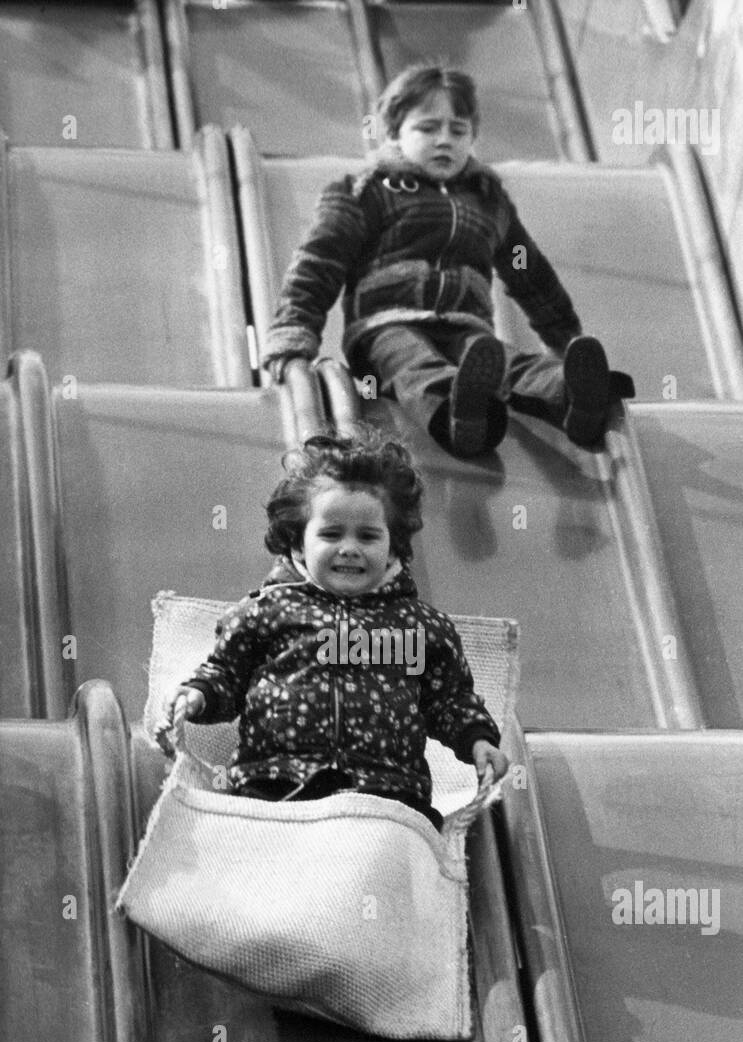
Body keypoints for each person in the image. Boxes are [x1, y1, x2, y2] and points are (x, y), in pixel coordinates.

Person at [261, 63, 634, 459]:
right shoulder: (366, 191)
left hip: (465, 328)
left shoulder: (489, 201)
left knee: (509, 362)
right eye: (427, 128)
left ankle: (574, 396)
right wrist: (294, 334)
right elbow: (320, 262)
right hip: (384, 328)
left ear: (472, 136)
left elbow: (529, 272)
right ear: (394, 133)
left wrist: (565, 339)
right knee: (412, 363)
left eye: (458, 130)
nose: (444, 140)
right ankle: (460, 415)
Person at [156, 430, 508, 832]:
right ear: (299, 544)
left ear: (394, 547)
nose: (349, 547)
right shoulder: (268, 613)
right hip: (277, 784)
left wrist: (477, 740)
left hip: (387, 793)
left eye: (368, 536)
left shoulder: (419, 627)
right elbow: (226, 675)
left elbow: (450, 701)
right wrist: (198, 695)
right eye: (331, 533)